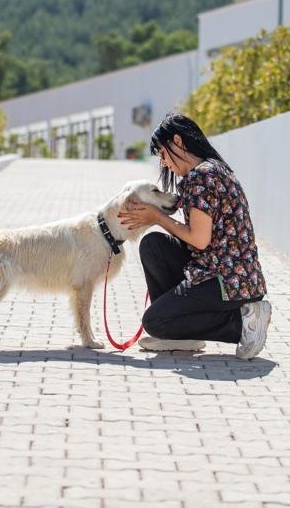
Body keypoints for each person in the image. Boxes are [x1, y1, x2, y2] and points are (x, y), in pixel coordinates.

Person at [117, 112, 272, 360]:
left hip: (228, 282)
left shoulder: (202, 176)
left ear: (177, 141)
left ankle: (242, 322)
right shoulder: (210, 170)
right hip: (227, 273)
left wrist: (157, 217)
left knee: (154, 321)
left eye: (163, 154)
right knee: (153, 245)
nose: (164, 163)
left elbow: (199, 239)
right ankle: (181, 335)